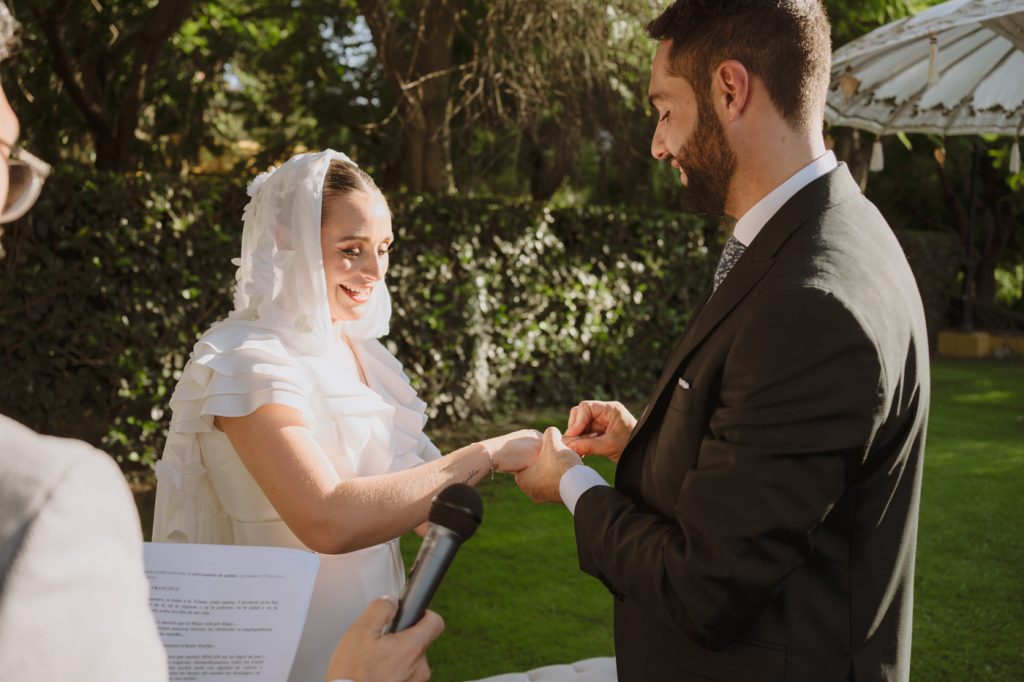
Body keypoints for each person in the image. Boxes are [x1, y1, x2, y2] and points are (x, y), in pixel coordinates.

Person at [516, 2, 929, 681]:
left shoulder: (811, 304)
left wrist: (572, 484)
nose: (657, 144)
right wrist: (649, 441)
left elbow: (702, 589)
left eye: (665, 110)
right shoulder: (833, 229)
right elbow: (771, 459)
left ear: (730, 90)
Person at [151, 148, 540, 681]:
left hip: (373, 632)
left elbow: (418, 497)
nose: (375, 271)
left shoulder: (366, 356)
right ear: (289, 241)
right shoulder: (245, 360)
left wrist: (544, 458)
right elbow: (326, 518)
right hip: (286, 643)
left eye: (383, 248)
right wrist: (489, 453)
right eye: (351, 250)